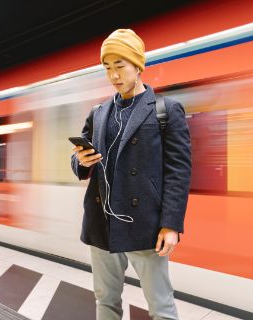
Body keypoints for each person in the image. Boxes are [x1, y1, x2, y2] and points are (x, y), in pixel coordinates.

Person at [70, 29, 191, 320]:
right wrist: (81, 161)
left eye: (120, 66)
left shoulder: (165, 110)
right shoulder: (98, 112)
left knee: (161, 306)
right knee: (106, 301)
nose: (113, 75)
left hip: (145, 225)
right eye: (107, 67)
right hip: (102, 224)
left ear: (138, 65)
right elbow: (79, 164)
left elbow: (179, 170)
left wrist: (171, 224)